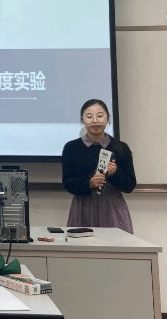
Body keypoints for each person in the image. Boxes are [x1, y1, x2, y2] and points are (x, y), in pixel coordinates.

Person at [61, 99, 136, 234]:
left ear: (107, 118)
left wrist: (115, 173)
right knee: (81, 244)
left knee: (116, 244)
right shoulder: (72, 148)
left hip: (112, 206)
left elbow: (130, 185)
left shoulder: (120, 148)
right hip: (82, 206)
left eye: (100, 116)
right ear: (82, 120)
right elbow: (68, 182)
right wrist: (89, 183)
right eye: (89, 117)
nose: (95, 121)